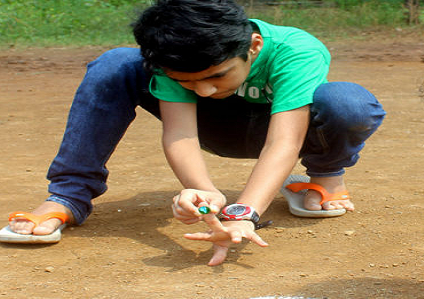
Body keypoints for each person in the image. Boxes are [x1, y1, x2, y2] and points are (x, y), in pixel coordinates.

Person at [0, 0, 385, 265]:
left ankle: (324, 178)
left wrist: (243, 213)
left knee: (346, 102)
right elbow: (180, 133)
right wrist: (204, 192)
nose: (203, 90)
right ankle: (67, 196)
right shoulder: (172, 59)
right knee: (114, 63)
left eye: (217, 75)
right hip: (209, 129)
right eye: (187, 81)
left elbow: (284, 140)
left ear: (253, 46)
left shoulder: (295, 49)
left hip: (280, 129)